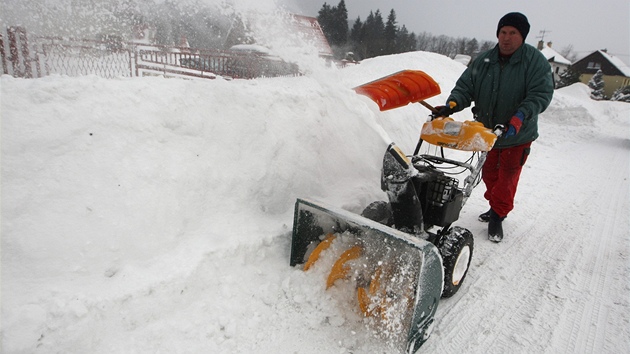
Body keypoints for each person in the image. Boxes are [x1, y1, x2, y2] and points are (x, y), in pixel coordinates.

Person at [435, 12, 554, 242]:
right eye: (503, 32)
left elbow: (540, 94)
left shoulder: (534, 61)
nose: (506, 38)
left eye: (513, 33)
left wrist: (520, 116)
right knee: (489, 174)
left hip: (517, 134)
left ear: (522, 36)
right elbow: (465, 87)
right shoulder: (484, 60)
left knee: (507, 178)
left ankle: (498, 215)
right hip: (488, 133)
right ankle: (495, 206)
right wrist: (451, 104)